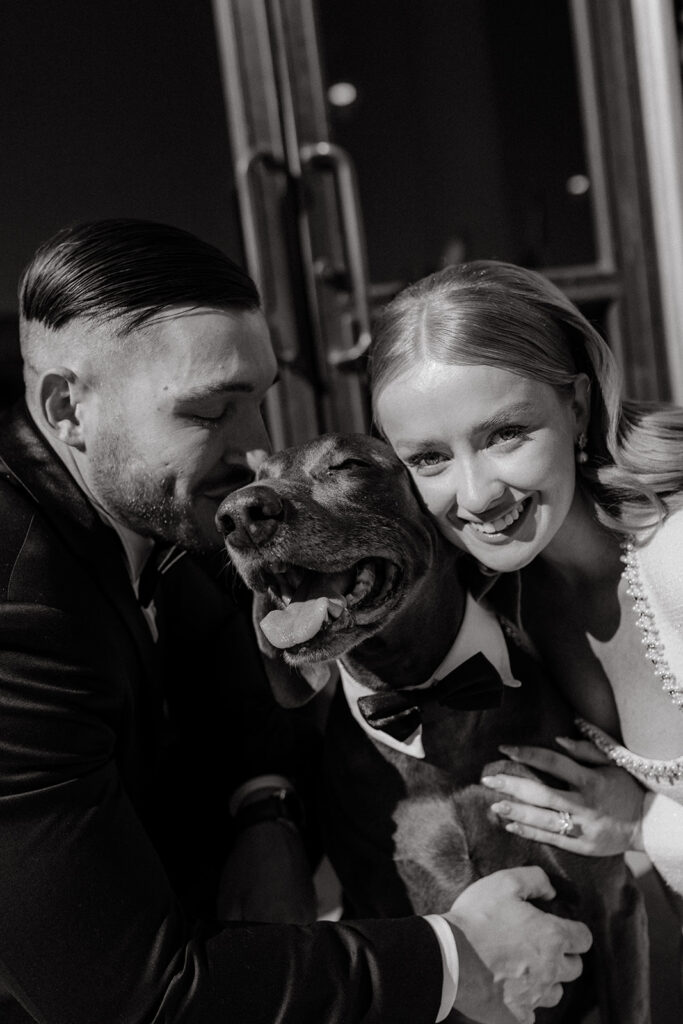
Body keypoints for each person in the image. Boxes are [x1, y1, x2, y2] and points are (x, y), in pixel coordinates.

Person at [0, 222, 591, 1024]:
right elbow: (121, 997)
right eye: (210, 411)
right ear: (68, 409)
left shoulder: (175, 508)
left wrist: (263, 803)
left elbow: (234, 672)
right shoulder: (16, 607)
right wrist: (456, 957)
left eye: (259, 402)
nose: (252, 454)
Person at [370, 259, 683, 918]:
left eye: (504, 434)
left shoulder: (674, 549)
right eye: (429, 458)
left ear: (575, 407)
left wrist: (642, 826)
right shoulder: (494, 607)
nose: (476, 495)